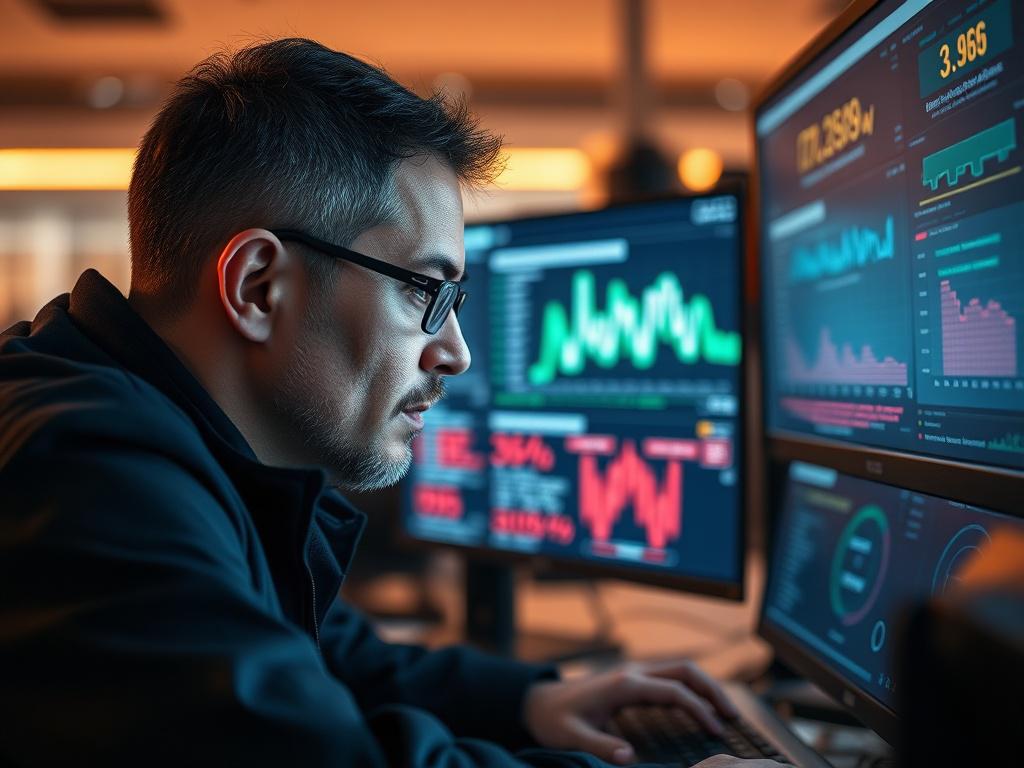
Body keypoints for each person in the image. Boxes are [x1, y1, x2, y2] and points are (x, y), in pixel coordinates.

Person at [0, 38, 784, 768]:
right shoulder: (83, 480)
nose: (456, 353)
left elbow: (310, 646)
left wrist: (527, 701)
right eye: (424, 293)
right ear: (258, 288)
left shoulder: (142, 434)